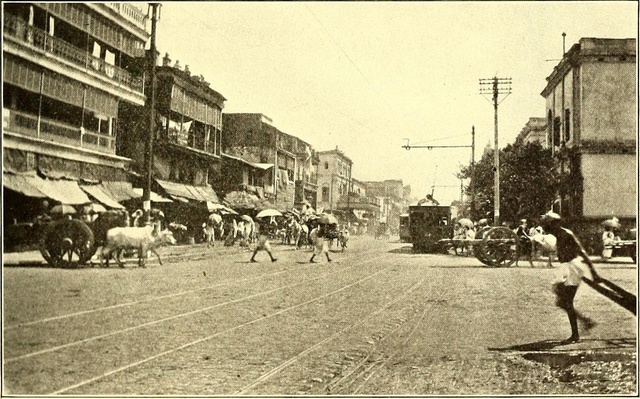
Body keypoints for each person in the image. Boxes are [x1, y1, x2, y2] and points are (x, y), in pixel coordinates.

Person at [541, 211, 600, 344]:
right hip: (567, 267)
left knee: (566, 301)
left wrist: (593, 272)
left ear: (554, 224)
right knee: (562, 300)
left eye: (548, 225)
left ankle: (577, 333)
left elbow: (581, 251)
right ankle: (584, 323)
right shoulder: (558, 234)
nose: (546, 228)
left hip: (573, 267)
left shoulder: (565, 234)